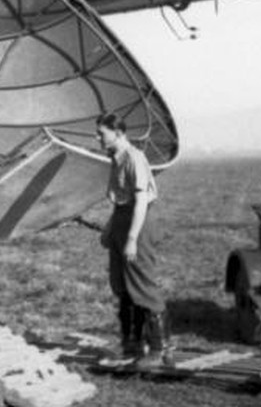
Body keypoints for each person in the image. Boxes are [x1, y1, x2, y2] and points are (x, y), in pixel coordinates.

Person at [96, 112, 173, 368]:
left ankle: (160, 350)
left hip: (138, 224)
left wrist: (131, 239)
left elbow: (140, 202)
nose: (98, 138)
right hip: (121, 220)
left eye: (101, 133)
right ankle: (132, 345)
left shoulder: (134, 158)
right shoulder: (115, 159)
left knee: (143, 287)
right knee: (122, 287)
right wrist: (110, 229)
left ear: (118, 133)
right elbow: (120, 201)